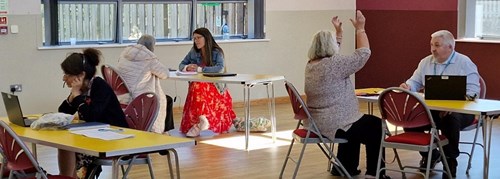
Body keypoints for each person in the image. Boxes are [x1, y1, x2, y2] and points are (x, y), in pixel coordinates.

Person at [304, 11, 390, 179]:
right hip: (337, 124)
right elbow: (364, 53)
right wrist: (361, 29)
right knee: (375, 125)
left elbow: (332, 54)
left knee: (357, 122)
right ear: (331, 48)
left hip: (317, 122)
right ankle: (375, 174)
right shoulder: (334, 65)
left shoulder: (312, 64)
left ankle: (345, 166)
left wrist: (338, 33)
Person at [400, 29, 480, 178]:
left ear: (450, 47)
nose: (432, 49)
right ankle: (431, 154)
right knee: (409, 119)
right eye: (431, 45)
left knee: (450, 119)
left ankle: (450, 161)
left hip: (461, 112)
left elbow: (474, 92)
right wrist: (408, 86)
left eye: (437, 45)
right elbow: (415, 81)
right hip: (432, 111)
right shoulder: (425, 62)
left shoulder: (464, 62)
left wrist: (454, 106)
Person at [58, 48, 129, 178]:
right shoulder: (83, 88)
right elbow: (63, 112)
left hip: (115, 136)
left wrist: (77, 96)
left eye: (67, 74)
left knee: (72, 143)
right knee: (64, 144)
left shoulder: (100, 87)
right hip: (97, 133)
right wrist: (72, 97)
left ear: (81, 75)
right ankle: (66, 177)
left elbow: (92, 117)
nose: (64, 78)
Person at [178, 27, 236, 137]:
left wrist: (199, 69)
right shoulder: (193, 51)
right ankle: (201, 120)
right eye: (194, 38)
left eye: (199, 37)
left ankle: (201, 121)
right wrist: (187, 67)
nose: (196, 41)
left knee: (196, 86)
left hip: (215, 86)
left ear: (206, 38)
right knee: (196, 85)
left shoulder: (217, 52)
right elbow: (181, 65)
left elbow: (219, 68)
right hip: (200, 85)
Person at [116, 34, 174, 134]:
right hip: (140, 97)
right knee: (167, 100)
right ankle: (164, 132)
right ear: (152, 46)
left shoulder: (124, 55)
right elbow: (165, 74)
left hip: (122, 96)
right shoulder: (149, 59)